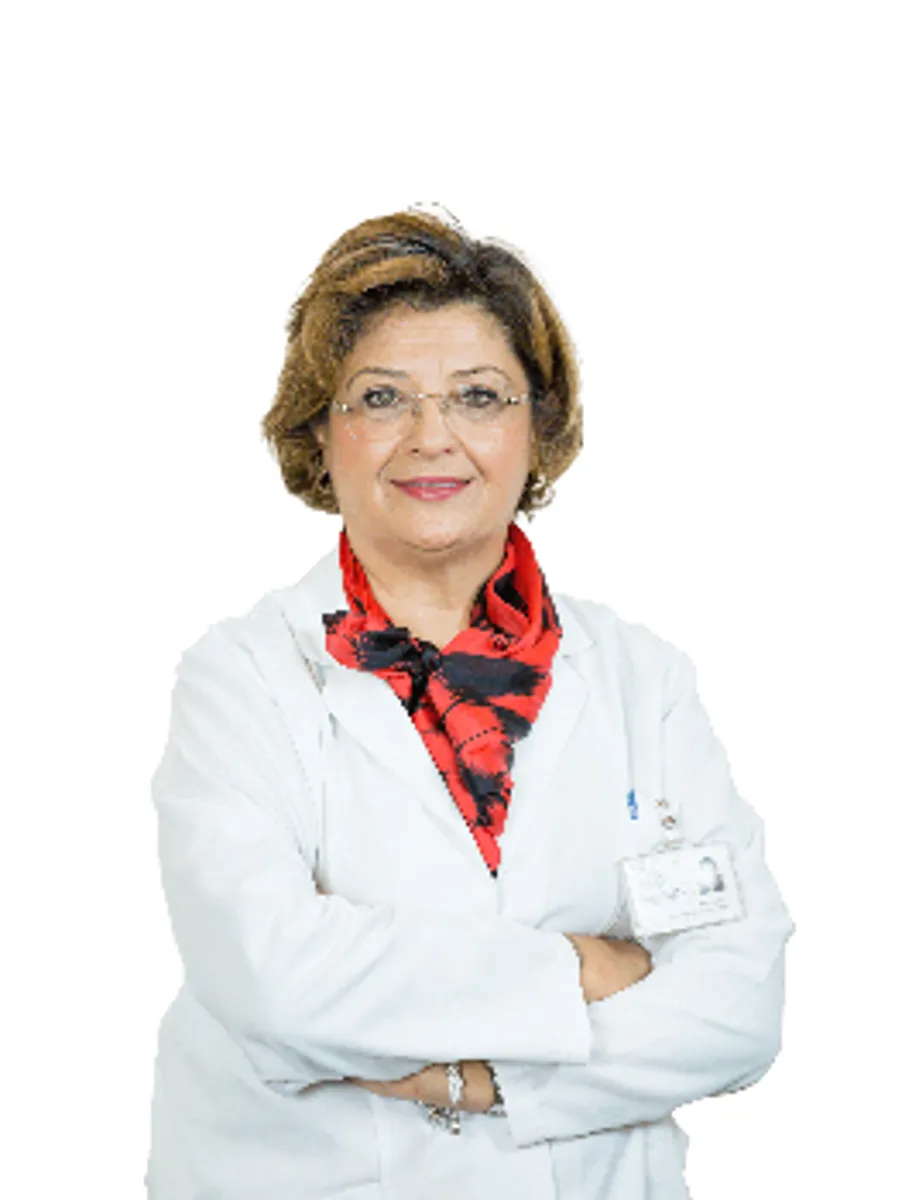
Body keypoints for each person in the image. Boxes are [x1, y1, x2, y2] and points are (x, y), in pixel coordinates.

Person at [146, 209, 795, 1200]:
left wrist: (482, 1082)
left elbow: (738, 1004)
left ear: (539, 428)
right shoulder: (241, 677)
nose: (431, 437)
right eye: (381, 398)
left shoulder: (642, 681)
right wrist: (584, 969)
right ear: (320, 431)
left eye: (478, 396)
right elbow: (273, 978)